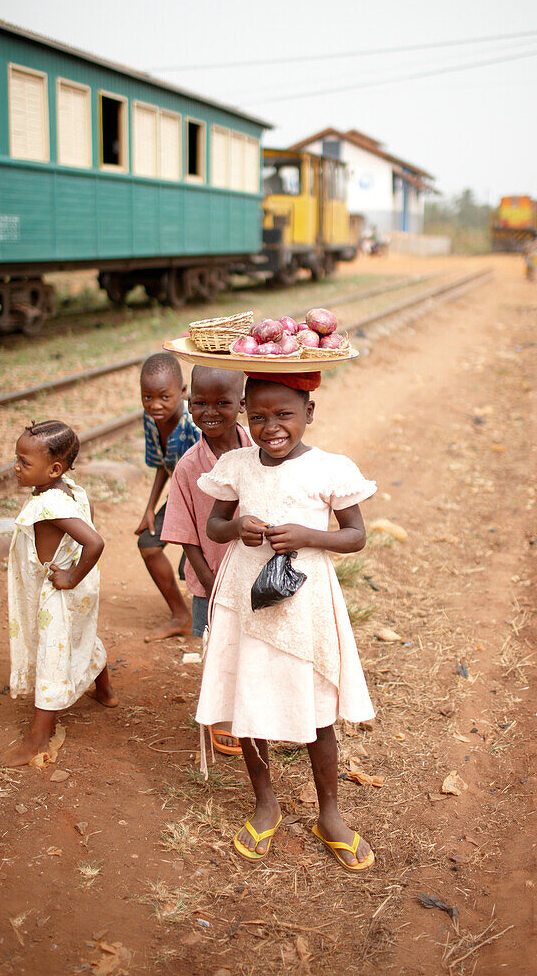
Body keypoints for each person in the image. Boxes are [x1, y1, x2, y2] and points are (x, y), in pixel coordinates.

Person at [195, 371, 376, 872]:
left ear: (309, 414)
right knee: (248, 696)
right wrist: (237, 528)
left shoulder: (330, 469)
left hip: (304, 602)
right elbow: (214, 524)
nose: (272, 427)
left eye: (284, 415)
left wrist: (307, 536)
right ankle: (265, 803)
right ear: (247, 420)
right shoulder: (236, 465)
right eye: (259, 417)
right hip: (245, 597)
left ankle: (330, 814)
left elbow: (356, 536)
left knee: (315, 707)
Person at [4, 420, 116, 766]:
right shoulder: (71, 491)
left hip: (59, 591)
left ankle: (38, 738)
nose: (16, 467)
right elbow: (90, 520)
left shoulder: (48, 505)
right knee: (80, 637)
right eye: (17, 458)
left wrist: (68, 577)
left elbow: (94, 541)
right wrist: (76, 574)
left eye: (24, 462)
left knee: (53, 656)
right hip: (76, 586)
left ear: (54, 468)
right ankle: (105, 692)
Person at [161, 365, 251, 756]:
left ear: (242, 404)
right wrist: (209, 580)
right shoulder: (188, 467)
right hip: (210, 578)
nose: (209, 411)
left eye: (222, 403)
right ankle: (221, 717)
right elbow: (184, 534)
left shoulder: (260, 452)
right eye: (199, 403)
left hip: (255, 574)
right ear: (188, 402)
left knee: (254, 645)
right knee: (219, 648)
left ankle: (253, 712)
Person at [136, 353, 200, 641]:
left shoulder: (195, 425)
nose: (155, 405)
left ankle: (215, 622)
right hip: (181, 495)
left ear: (183, 392)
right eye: (147, 397)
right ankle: (181, 616)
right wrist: (150, 508)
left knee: (195, 565)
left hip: (207, 498)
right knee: (148, 545)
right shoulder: (152, 420)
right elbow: (163, 465)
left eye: (164, 396)